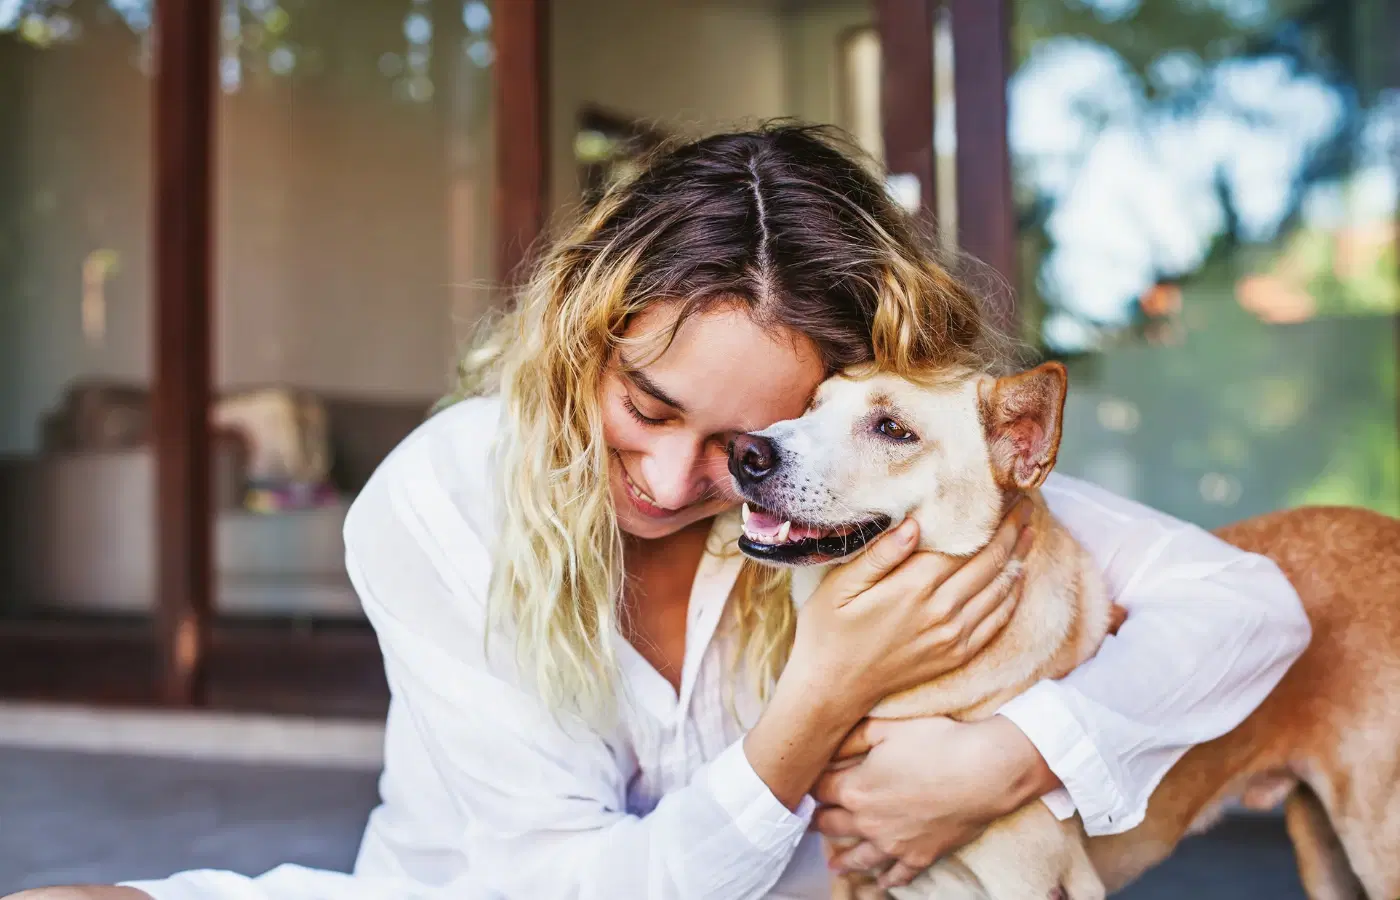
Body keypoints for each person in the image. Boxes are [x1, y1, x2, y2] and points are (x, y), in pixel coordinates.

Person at [15, 125, 1310, 900]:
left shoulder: (871, 470)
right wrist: (819, 702)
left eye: (748, 446)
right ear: (585, 330)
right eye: (645, 402)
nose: (675, 479)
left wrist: (1010, 754)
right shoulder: (446, 492)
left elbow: (1248, 608)